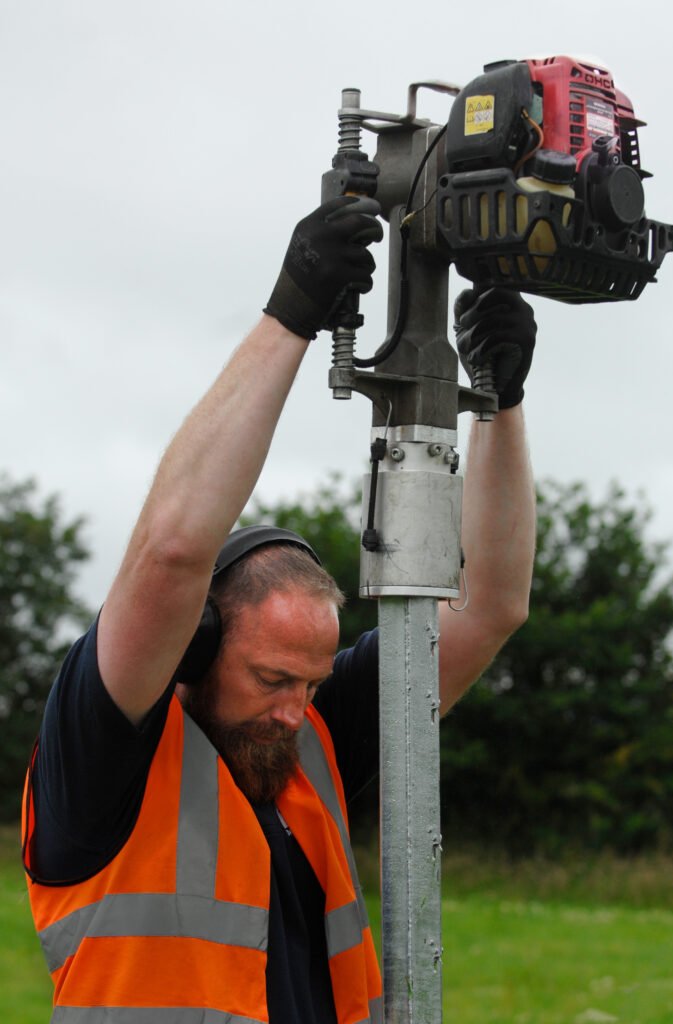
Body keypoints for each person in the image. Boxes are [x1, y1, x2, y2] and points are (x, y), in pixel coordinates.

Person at [22, 196, 537, 1024]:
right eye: (271, 679)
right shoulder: (105, 756)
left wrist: (500, 403)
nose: (295, 710)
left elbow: (489, 608)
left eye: (307, 681)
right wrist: (290, 317)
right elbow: (172, 553)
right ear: (197, 647)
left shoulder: (310, 739)